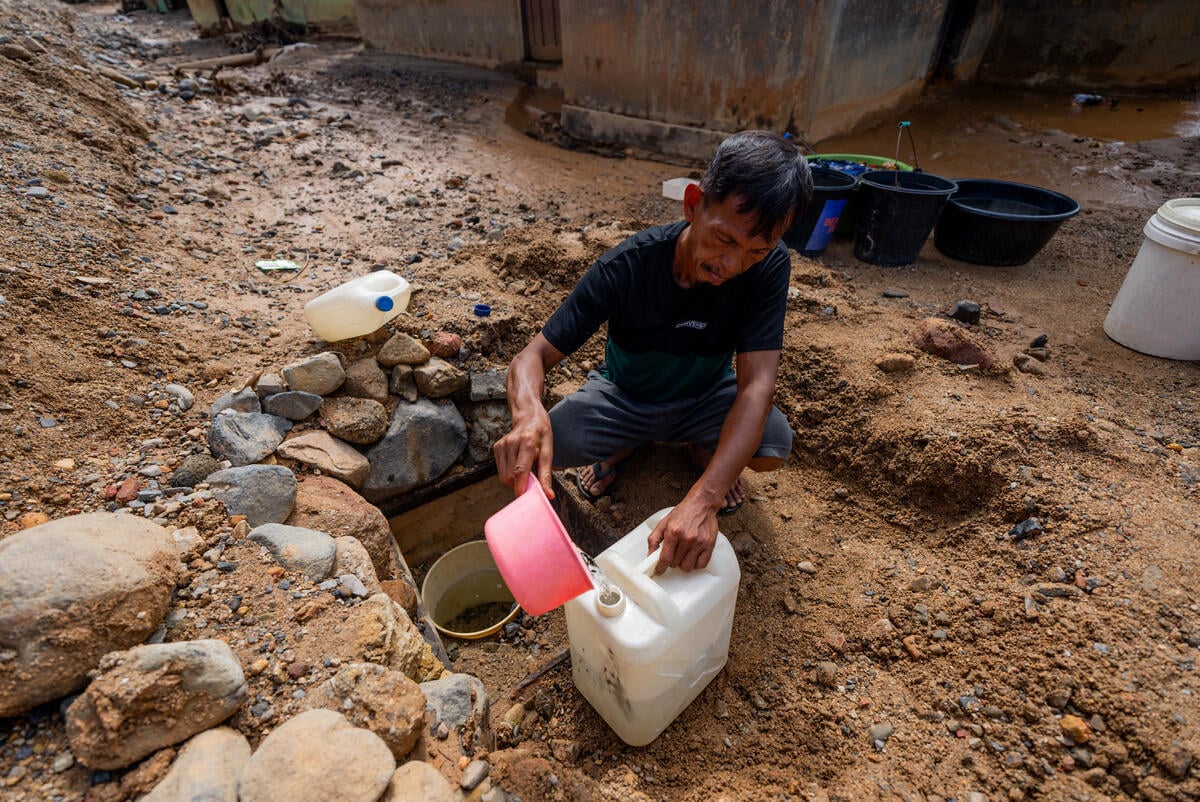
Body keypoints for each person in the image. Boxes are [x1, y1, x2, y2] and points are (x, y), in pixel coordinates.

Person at [493, 130, 812, 576]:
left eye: (755, 251)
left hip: (706, 398)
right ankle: (629, 442)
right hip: (625, 398)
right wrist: (528, 414)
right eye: (724, 240)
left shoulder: (769, 268)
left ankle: (704, 455)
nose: (732, 265)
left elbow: (757, 385)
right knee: (548, 447)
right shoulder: (628, 266)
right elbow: (533, 356)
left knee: (772, 445)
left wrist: (705, 499)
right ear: (694, 204)